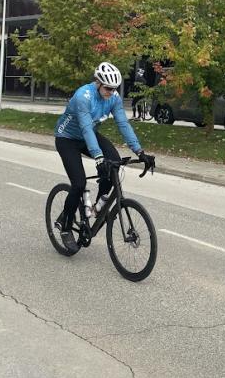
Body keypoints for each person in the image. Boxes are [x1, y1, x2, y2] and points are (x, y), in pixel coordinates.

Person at [54, 61, 155, 254]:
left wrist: (140, 152)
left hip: (89, 135)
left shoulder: (113, 98)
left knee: (113, 164)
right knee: (79, 183)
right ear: (98, 83)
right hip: (67, 139)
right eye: (108, 88)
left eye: (114, 88)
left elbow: (123, 124)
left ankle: (97, 208)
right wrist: (98, 157)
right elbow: (85, 128)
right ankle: (65, 226)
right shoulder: (83, 96)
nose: (111, 92)